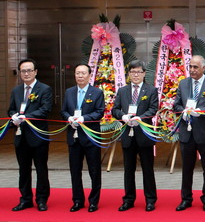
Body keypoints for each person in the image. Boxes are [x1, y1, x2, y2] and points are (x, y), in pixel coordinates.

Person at [173, 55, 205, 212]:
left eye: (195, 67)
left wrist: (201, 111)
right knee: (187, 168)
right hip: (186, 133)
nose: (192, 70)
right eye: (191, 67)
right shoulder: (183, 83)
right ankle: (186, 198)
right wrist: (184, 111)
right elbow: (176, 105)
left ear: (203, 68)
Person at [112, 60, 159, 212]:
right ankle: (128, 199)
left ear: (144, 73)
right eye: (132, 72)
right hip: (128, 134)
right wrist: (123, 116)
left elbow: (153, 109)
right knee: (128, 169)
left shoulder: (151, 90)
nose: (135, 75)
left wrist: (141, 118)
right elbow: (115, 109)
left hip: (144, 134)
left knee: (147, 169)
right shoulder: (123, 91)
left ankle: (150, 199)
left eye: (138, 72)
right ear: (129, 74)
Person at [8, 59, 53, 211]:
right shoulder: (16, 91)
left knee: (41, 168)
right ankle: (25, 199)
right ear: (20, 73)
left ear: (35, 72)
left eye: (29, 70)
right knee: (23, 169)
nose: (26, 73)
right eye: (23, 71)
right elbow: (11, 109)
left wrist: (26, 117)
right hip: (21, 136)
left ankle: (41, 199)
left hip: (38, 136)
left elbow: (45, 109)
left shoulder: (44, 89)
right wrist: (14, 116)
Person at [61, 63, 105, 212]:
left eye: (83, 73)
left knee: (94, 170)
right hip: (73, 137)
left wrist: (84, 118)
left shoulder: (97, 92)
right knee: (75, 170)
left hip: (90, 137)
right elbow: (63, 111)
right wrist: (69, 118)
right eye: (77, 73)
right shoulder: (69, 92)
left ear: (89, 75)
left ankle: (94, 201)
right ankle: (78, 200)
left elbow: (99, 112)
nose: (80, 76)